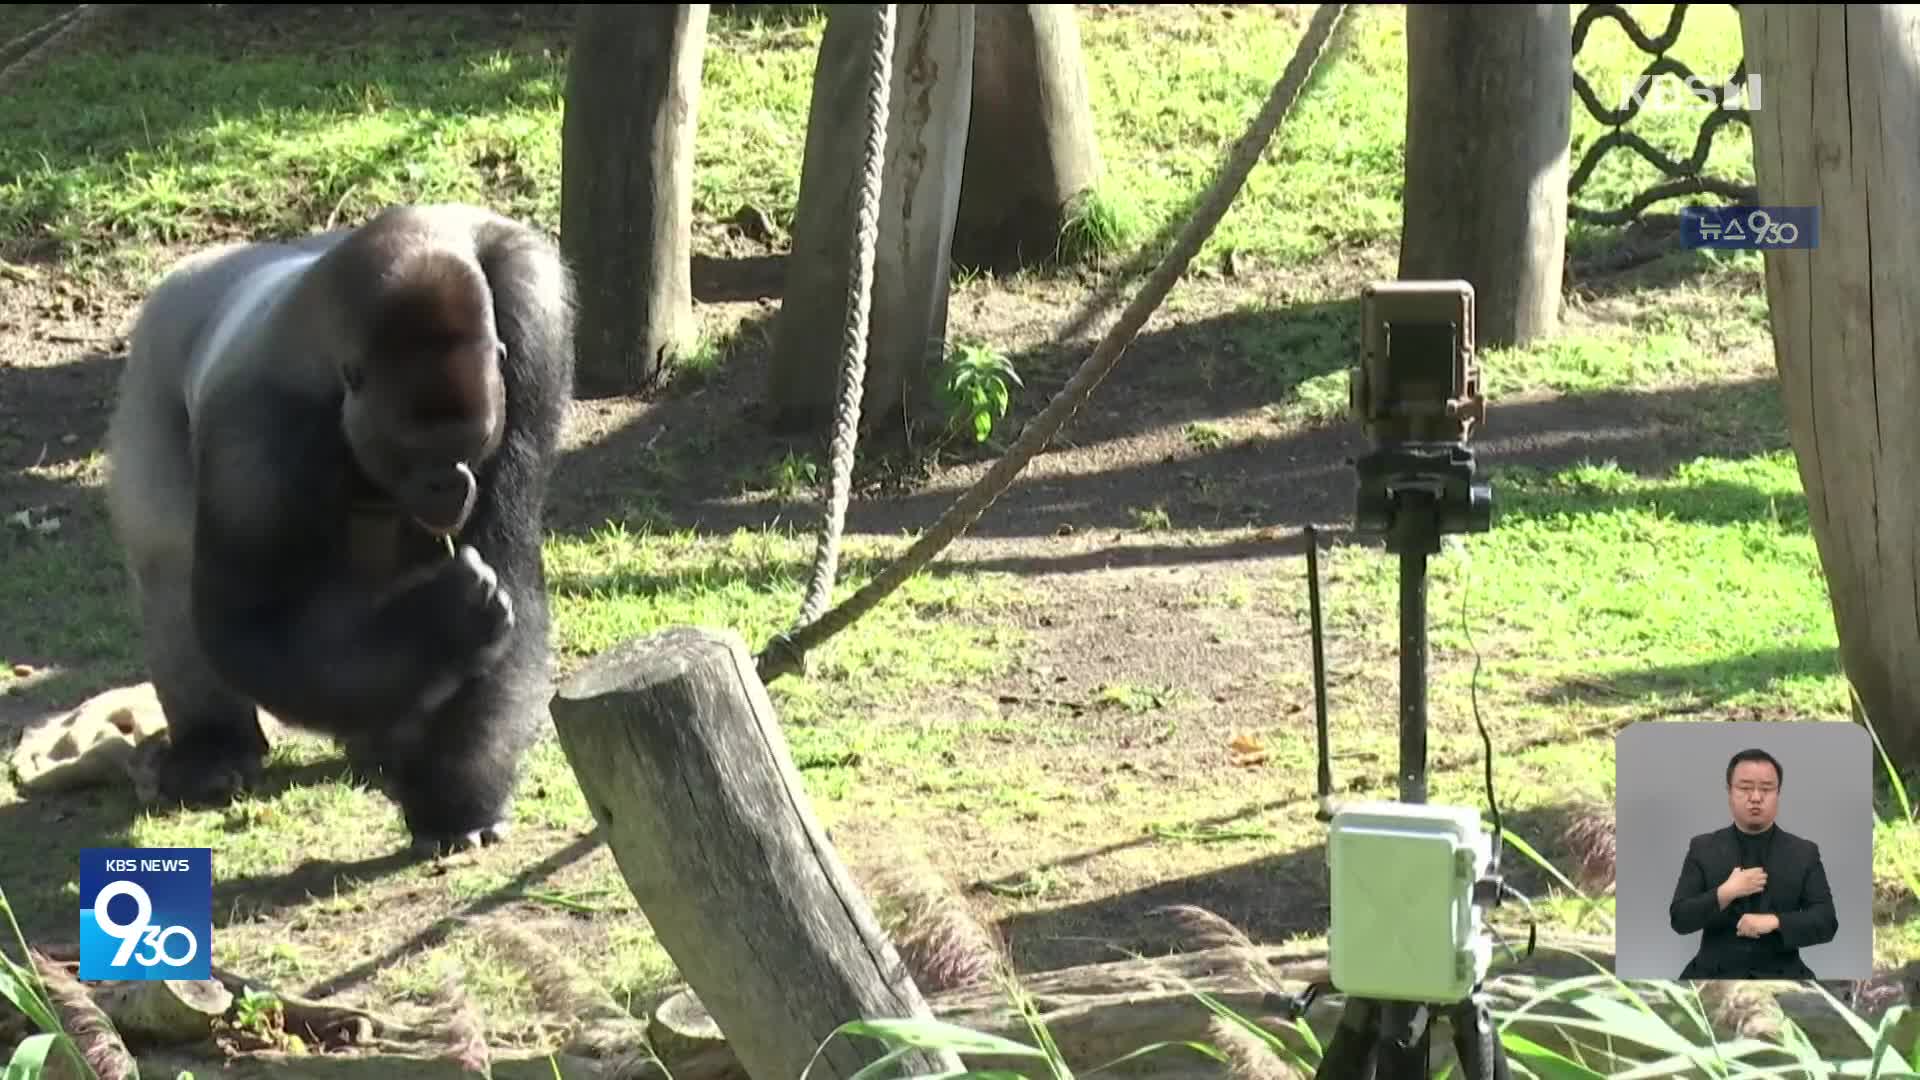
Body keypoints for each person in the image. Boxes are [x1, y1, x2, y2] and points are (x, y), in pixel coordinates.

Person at [1667, 747, 1838, 979]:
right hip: (1713, 976)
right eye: (1745, 788)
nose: (1756, 797)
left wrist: (1775, 922)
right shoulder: (1703, 848)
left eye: (1766, 789)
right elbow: (1680, 919)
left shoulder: (1804, 852)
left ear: (1778, 793)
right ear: (1729, 792)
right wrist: (1725, 892)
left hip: (1784, 976)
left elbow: (1826, 922)